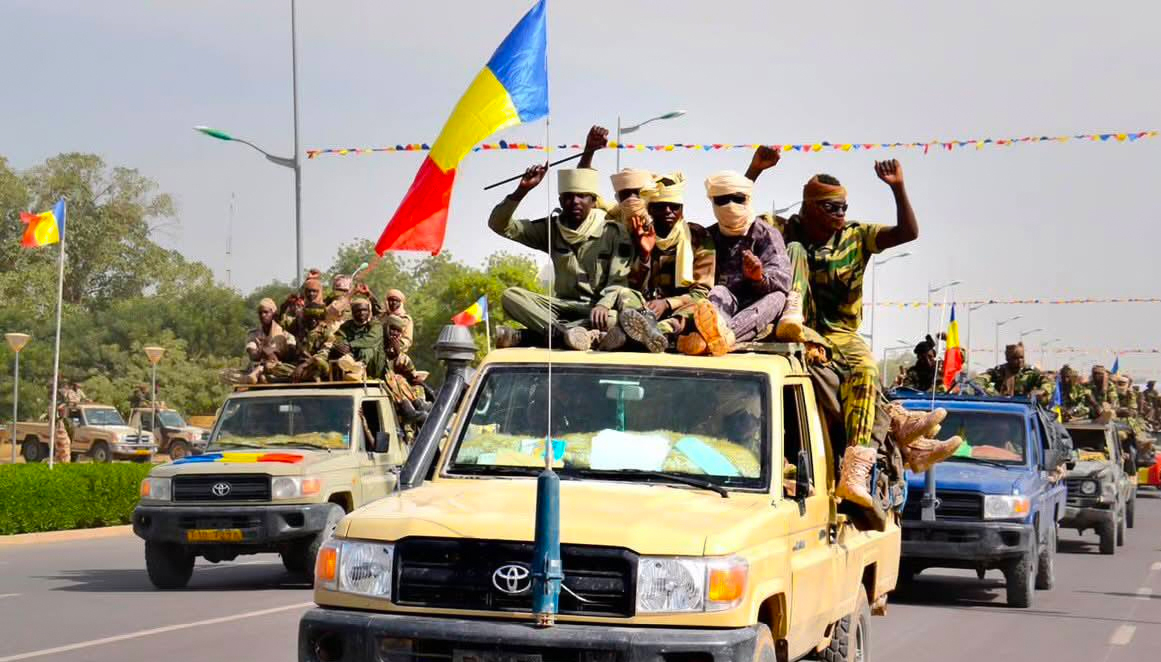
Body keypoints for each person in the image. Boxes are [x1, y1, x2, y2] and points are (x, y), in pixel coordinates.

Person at [747, 150, 950, 506]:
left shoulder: (856, 236)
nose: (841, 214)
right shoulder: (785, 228)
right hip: (795, 322)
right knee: (791, 248)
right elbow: (738, 215)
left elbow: (907, 232)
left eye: (843, 207)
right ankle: (905, 430)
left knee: (866, 370)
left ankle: (857, 469)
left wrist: (898, 188)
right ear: (809, 207)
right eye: (831, 208)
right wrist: (755, 171)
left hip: (840, 332)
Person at [489, 164, 634, 351]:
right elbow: (499, 225)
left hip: (594, 310)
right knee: (511, 296)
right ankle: (566, 335)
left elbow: (619, 279)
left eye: (581, 196)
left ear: (593, 200)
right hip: (559, 308)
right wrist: (522, 190)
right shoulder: (551, 229)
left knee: (615, 320)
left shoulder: (613, 232)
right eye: (568, 197)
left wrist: (604, 305)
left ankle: (533, 336)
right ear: (560, 200)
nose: (574, 202)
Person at [678, 170, 791, 357]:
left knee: (778, 298)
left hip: (758, 302)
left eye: (737, 199)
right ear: (713, 202)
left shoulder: (766, 234)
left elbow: (783, 279)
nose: (730, 205)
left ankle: (723, 338)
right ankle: (714, 336)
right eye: (722, 200)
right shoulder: (709, 236)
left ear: (747, 199)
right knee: (718, 292)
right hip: (726, 303)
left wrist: (759, 277)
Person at [240, 298, 297, 384]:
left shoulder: (285, 333)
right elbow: (252, 355)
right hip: (257, 368)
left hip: (279, 369)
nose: (263, 315)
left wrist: (274, 352)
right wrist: (263, 351)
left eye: (266, 312)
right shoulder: (254, 334)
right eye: (260, 313)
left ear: (273, 314)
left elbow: (291, 353)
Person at [976, 343, 1052, 402]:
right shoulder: (999, 371)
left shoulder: (1030, 372)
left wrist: (1040, 391)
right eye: (1015, 358)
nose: (1019, 361)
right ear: (1007, 358)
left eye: (1021, 357)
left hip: (1025, 407)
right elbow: (979, 380)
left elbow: (1048, 382)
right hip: (1001, 406)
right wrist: (993, 393)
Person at [334, 297, 386, 381]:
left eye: (365, 310)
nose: (362, 313)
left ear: (369, 312)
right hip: (351, 360)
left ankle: (359, 370)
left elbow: (370, 340)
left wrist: (350, 345)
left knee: (366, 350)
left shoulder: (375, 325)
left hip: (374, 367)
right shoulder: (346, 326)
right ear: (353, 312)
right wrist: (342, 346)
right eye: (358, 311)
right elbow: (338, 337)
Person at [291, 303, 335, 383]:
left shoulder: (326, 332)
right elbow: (282, 321)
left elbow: (324, 354)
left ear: (320, 318)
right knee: (271, 366)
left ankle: (304, 375)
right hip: (300, 365)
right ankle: (305, 375)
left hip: (320, 366)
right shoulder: (300, 330)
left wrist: (304, 365)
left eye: (316, 318)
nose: (313, 321)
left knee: (318, 360)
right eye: (310, 318)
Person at [383, 289, 414, 353]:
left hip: (397, 352)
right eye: (391, 300)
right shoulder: (382, 316)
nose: (394, 302)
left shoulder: (406, 319)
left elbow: (407, 340)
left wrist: (396, 344)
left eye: (396, 300)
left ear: (401, 302)